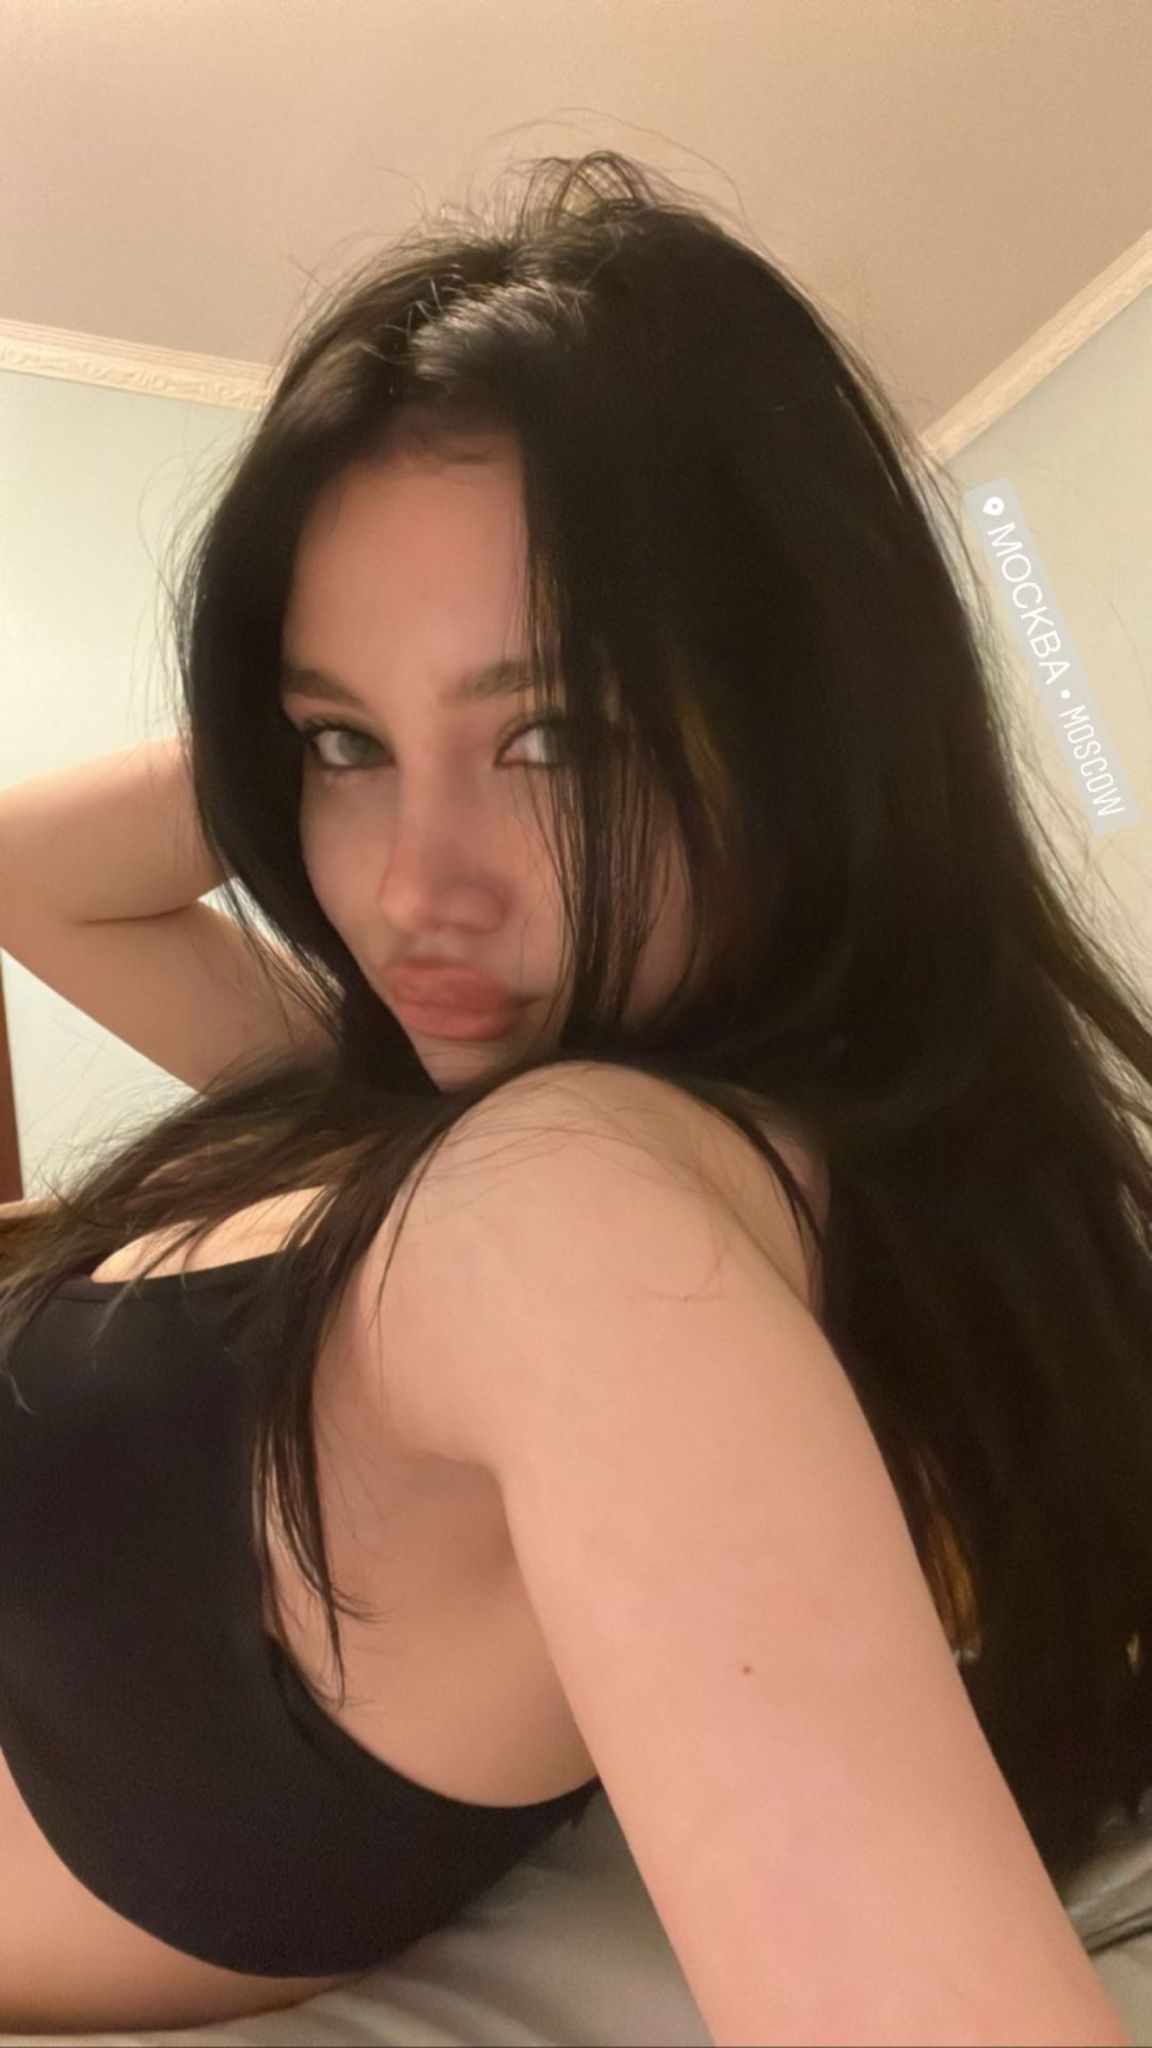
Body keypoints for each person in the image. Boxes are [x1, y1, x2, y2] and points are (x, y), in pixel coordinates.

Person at [0, 148, 1143, 2042]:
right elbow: (33, 872)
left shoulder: (586, 1209)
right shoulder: (422, 1097)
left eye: (560, 734)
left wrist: (396, 707)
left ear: (811, 733)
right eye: (338, 747)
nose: (408, 890)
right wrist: (365, 706)